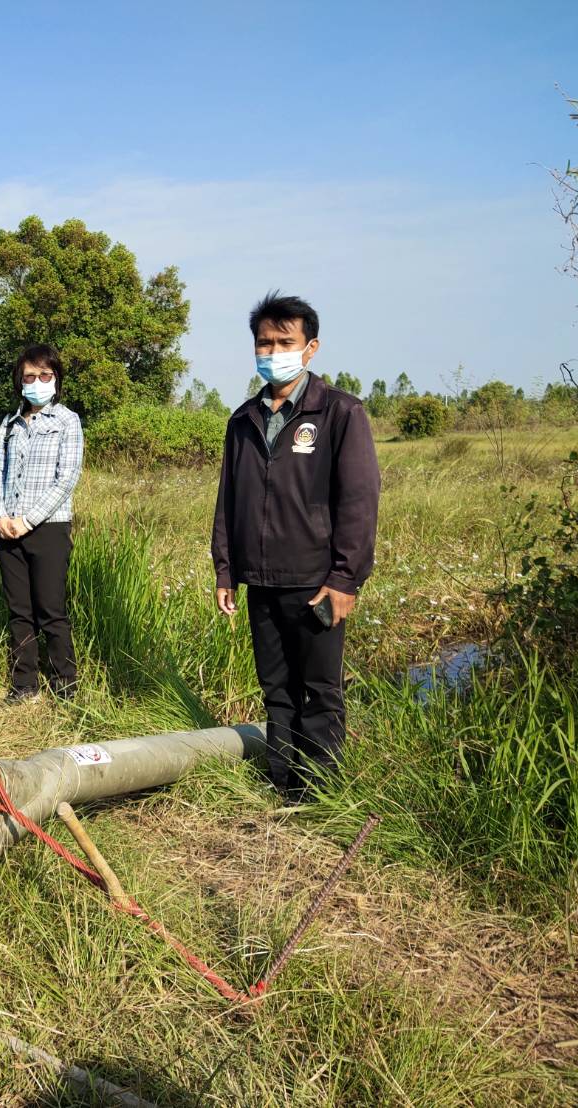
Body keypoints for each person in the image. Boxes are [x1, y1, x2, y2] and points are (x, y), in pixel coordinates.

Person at [211, 292, 380, 802]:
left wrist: (344, 578)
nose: (274, 350)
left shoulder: (339, 413)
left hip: (316, 582)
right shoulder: (243, 420)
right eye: (265, 342)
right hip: (260, 579)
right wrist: (226, 570)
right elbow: (229, 500)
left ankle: (321, 794)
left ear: (310, 348)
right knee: (277, 691)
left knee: (321, 693)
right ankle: (283, 785)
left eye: (286, 341)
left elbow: (358, 499)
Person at [0, 343, 84, 703]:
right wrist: (0, 516)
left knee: (51, 610)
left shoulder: (67, 421)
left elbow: (67, 477)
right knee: (19, 612)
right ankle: (24, 684)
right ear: (20, 381)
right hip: (7, 529)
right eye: (30, 376)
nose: (37, 382)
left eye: (45, 375)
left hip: (47, 529)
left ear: (56, 379)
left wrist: (27, 520)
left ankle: (65, 684)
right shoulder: (9, 424)